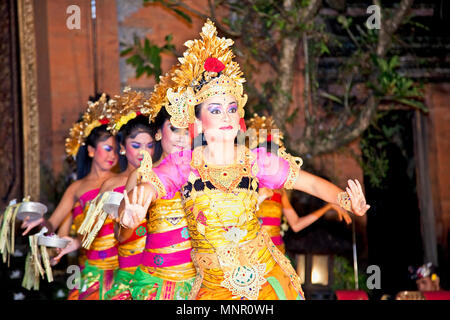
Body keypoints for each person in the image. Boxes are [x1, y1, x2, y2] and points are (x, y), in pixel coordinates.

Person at [119, 20, 370, 300]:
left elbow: (311, 185)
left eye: (231, 109)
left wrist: (347, 201)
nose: (225, 116)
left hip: (266, 281)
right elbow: (149, 187)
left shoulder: (257, 161)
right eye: (215, 110)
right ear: (198, 124)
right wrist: (129, 211)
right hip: (212, 288)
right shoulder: (183, 164)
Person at [119, 78, 196, 300]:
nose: (182, 138)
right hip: (155, 283)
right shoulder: (142, 175)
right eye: (174, 129)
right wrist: (128, 222)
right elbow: (121, 236)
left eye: (186, 130)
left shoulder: (203, 173)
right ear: (159, 133)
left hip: (199, 284)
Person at [20, 94, 118, 270]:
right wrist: (41, 221)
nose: (113, 155)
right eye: (108, 149)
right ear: (91, 151)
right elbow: (53, 224)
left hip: (125, 268)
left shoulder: (122, 180)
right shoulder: (76, 188)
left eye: (117, 150)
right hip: (91, 270)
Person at [248, 114, 352, 253]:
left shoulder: (280, 191)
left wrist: (328, 207)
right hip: (251, 256)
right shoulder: (245, 184)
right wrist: (259, 198)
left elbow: (296, 225)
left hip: (276, 256)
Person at [100, 89, 160, 300]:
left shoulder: (162, 178)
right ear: (123, 148)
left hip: (162, 270)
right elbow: (108, 235)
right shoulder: (111, 184)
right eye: (136, 146)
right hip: (125, 268)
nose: (144, 152)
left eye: (149, 146)